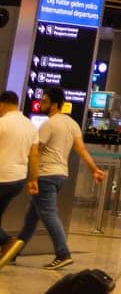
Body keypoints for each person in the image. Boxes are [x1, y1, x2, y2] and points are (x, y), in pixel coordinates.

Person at [7, 86, 105, 270]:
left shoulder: (48, 124)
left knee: (49, 215)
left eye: (44, 101)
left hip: (46, 175)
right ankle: (13, 253)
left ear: (54, 104)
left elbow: (36, 150)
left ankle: (63, 253)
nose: (40, 104)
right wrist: (94, 169)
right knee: (31, 218)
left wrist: (31, 175)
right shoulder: (72, 124)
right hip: (60, 175)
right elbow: (81, 149)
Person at [0, 92, 37, 267]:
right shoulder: (30, 125)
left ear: (1, 105)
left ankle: (8, 241)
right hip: (18, 180)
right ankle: (5, 246)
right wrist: (33, 179)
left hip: (2, 176)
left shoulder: (2, 123)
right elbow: (34, 156)